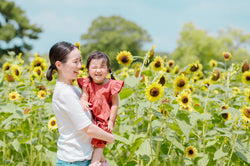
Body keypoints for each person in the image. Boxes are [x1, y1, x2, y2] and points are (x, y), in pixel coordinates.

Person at [46, 41, 115, 166]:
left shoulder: (74, 89)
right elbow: (88, 129)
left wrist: (101, 160)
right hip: (73, 161)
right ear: (59, 65)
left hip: (84, 158)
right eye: (75, 62)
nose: (80, 66)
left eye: (80, 61)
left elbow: (90, 131)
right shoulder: (64, 93)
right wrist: (110, 138)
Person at [77, 51, 124, 166]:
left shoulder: (111, 84)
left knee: (99, 141)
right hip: (90, 117)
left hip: (104, 119)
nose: (98, 70)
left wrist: (111, 121)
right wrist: (83, 101)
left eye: (102, 67)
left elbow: (115, 104)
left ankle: (95, 162)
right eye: (94, 67)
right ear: (88, 70)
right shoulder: (87, 83)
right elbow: (84, 96)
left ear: (108, 70)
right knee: (91, 142)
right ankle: (103, 162)